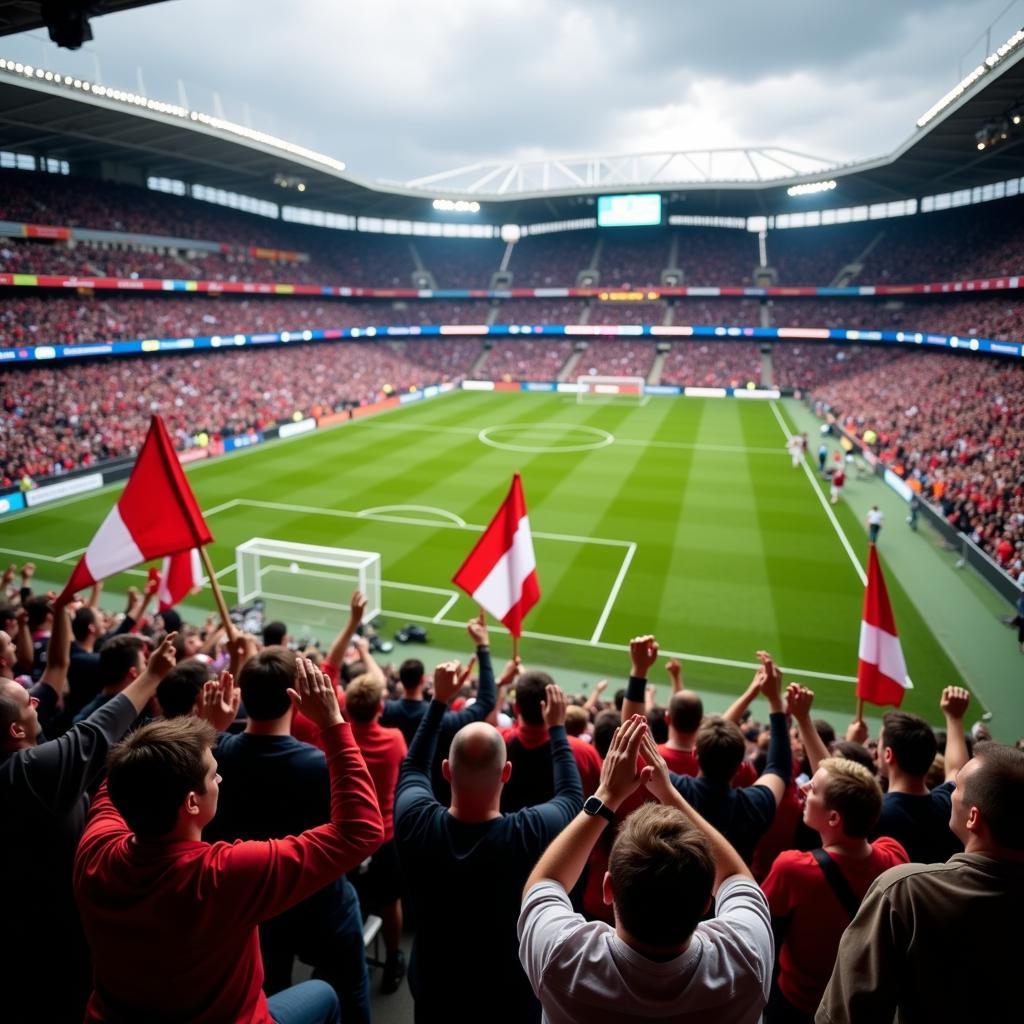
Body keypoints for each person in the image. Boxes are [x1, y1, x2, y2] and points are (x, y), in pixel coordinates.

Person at [74, 656, 385, 1024]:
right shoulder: (223, 875)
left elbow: (124, 773)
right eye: (212, 775)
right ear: (191, 802)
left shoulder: (95, 849)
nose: (219, 779)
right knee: (325, 995)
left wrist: (193, 736)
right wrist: (333, 722)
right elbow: (361, 829)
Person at [518, 722, 772, 1024]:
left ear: (608, 888)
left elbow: (545, 881)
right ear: (707, 903)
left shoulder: (563, 957)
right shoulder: (745, 958)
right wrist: (669, 794)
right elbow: (734, 878)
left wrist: (607, 795)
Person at [1, 610, 179, 1024]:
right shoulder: (26, 774)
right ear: (13, 731)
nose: (38, 699)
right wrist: (151, 676)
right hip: (55, 933)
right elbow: (95, 733)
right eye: (28, 701)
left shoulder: (24, 759)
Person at [394, 658, 583, 1024]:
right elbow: (572, 799)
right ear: (506, 774)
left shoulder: (415, 821)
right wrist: (557, 728)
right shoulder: (527, 834)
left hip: (435, 985)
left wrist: (438, 703)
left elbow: (413, 766)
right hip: (507, 992)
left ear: (447, 771)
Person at [205, 648, 373, 1023]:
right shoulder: (319, 765)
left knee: (269, 997)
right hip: (321, 908)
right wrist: (332, 720)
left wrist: (209, 727)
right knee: (350, 997)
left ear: (242, 697)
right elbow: (365, 829)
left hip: (255, 909)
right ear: (296, 697)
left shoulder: (213, 757)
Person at [816, 742, 1024, 1024]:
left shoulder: (904, 891)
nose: (950, 793)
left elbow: (845, 1014)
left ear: (973, 818)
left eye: (957, 788)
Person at [761, 755, 908, 1023]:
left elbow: (761, 932)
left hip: (796, 1004)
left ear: (833, 818)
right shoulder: (894, 855)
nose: (804, 788)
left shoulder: (793, 869)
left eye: (813, 789)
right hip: (857, 1005)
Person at [625, 637, 791, 862]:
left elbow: (633, 737)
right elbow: (778, 768)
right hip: (727, 897)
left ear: (696, 755)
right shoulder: (754, 806)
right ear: (741, 765)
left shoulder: (673, 789)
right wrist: (775, 702)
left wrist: (639, 670)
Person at [344, 669, 409, 994]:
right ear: (379, 707)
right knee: (390, 901)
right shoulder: (394, 739)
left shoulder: (335, 736)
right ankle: (395, 956)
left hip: (343, 837)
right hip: (382, 837)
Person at [871, 687, 970, 863]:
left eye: (879, 743)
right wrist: (955, 718)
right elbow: (957, 770)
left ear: (888, 754)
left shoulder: (874, 814)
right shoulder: (949, 803)